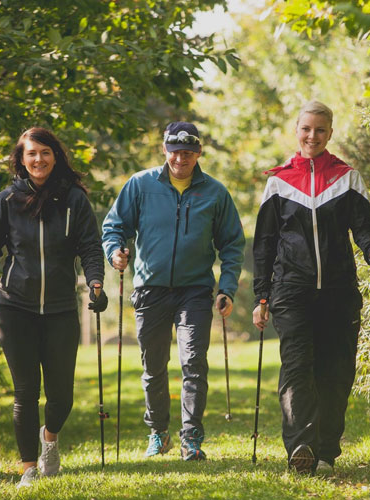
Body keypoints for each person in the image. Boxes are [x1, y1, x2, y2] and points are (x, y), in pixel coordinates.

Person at [251, 100, 370, 475]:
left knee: (335, 372)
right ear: (297, 131)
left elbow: (366, 227)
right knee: (297, 368)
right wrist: (262, 296)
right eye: (306, 129)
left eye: (320, 130)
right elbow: (264, 244)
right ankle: (301, 447)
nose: (313, 136)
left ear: (330, 133)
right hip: (292, 290)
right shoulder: (278, 182)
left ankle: (326, 450)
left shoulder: (346, 177)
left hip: (339, 291)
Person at [0, 127, 107, 488]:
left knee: (61, 396)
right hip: (15, 308)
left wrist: (96, 283)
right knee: (25, 392)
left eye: (45, 152)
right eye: (32, 153)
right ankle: (28, 468)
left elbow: (90, 247)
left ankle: (50, 436)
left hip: (60, 308)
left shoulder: (74, 200)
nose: (38, 159)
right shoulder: (6, 201)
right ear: (21, 158)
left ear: (55, 157)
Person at [102, 121, 245, 461]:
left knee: (193, 362)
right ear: (164, 150)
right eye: (175, 151)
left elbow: (232, 244)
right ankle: (158, 433)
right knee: (154, 367)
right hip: (150, 289)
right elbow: (114, 227)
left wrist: (226, 288)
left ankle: (191, 437)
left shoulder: (215, 192)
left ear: (198, 154)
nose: (180, 159)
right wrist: (115, 251)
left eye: (188, 153)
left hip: (195, 290)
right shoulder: (140, 185)